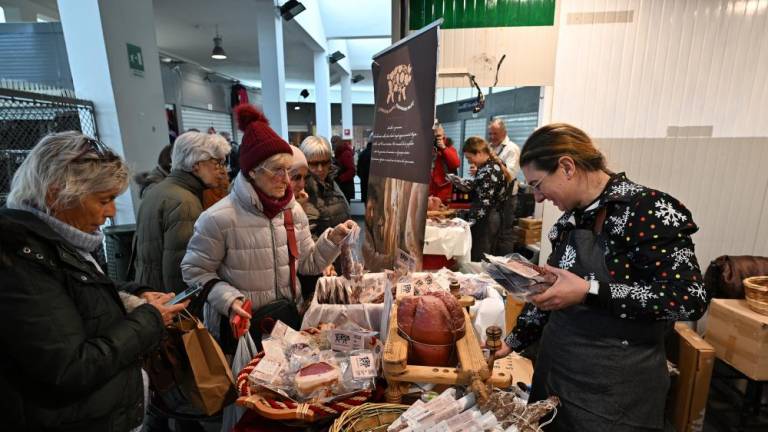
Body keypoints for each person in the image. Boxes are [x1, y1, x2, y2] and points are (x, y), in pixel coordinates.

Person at [494, 124, 710, 431]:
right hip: (557, 375)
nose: (539, 198)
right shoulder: (572, 219)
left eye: (539, 185)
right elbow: (552, 293)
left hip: (613, 394)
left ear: (567, 166)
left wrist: (590, 291)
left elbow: (689, 299)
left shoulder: (647, 210)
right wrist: (512, 342)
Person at [0, 131, 186, 432]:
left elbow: (81, 292)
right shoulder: (20, 258)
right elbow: (70, 369)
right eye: (105, 200)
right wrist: (150, 319)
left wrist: (135, 295)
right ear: (56, 194)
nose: (111, 212)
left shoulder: (58, 241)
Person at [181, 104, 354, 348]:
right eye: (277, 171)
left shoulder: (292, 210)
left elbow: (308, 263)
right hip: (243, 333)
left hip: (286, 325)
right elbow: (194, 271)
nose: (286, 179)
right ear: (252, 171)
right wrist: (229, 299)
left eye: (287, 170)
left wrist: (332, 240)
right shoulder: (218, 218)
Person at [134, 132, 231, 295]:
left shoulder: (158, 190)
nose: (221, 170)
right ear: (196, 165)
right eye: (217, 163)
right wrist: (187, 309)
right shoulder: (185, 203)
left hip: (151, 292)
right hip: (169, 302)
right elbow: (181, 271)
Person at [449, 137, 511, 261]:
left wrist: (469, 221)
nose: (469, 162)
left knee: (480, 256)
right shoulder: (490, 166)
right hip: (491, 215)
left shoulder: (489, 170)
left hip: (486, 217)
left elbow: (484, 201)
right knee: (484, 253)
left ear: (479, 153)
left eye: (469, 158)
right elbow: (479, 187)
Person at [300, 135, 352, 241]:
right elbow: (308, 239)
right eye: (314, 164)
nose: (320, 169)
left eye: (324, 163)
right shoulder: (303, 191)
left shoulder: (330, 181)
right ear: (305, 163)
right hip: (323, 254)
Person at [488, 119, 521, 254]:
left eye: (495, 134)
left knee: (505, 234)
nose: (492, 137)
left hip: (507, 198)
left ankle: (505, 266)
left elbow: (510, 176)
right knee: (492, 232)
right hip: (494, 197)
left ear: (504, 133)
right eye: (490, 134)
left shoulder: (511, 149)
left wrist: (497, 160)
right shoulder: (492, 147)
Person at [429, 125, 460, 202]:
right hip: (429, 193)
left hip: (445, 194)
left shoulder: (450, 149)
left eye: (438, 136)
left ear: (444, 136)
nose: (436, 138)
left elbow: (456, 164)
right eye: (433, 136)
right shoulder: (427, 150)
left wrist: (444, 148)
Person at [332, 135, 356, 202]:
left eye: (334, 142)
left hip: (346, 189)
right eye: (332, 142)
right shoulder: (340, 153)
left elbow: (352, 171)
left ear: (340, 142)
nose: (333, 144)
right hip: (343, 188)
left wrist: (339, 178)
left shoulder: (345, 153)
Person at [357, 135, 372, 203]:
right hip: (376, 187)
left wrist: (363, 178)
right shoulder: (379, 154)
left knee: (366, 205)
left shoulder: (362, 154)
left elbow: (358, 171)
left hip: (364, 184)